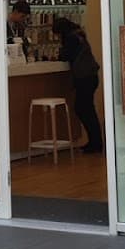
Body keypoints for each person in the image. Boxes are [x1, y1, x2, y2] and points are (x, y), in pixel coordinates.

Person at [52, 18, 103, 153]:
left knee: (82, 109)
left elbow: (65, 55)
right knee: (87, 109)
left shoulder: (71, 39)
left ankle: (95, 142)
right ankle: (95, 141)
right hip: (90, 76)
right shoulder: (79, 35)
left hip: (83, 78)